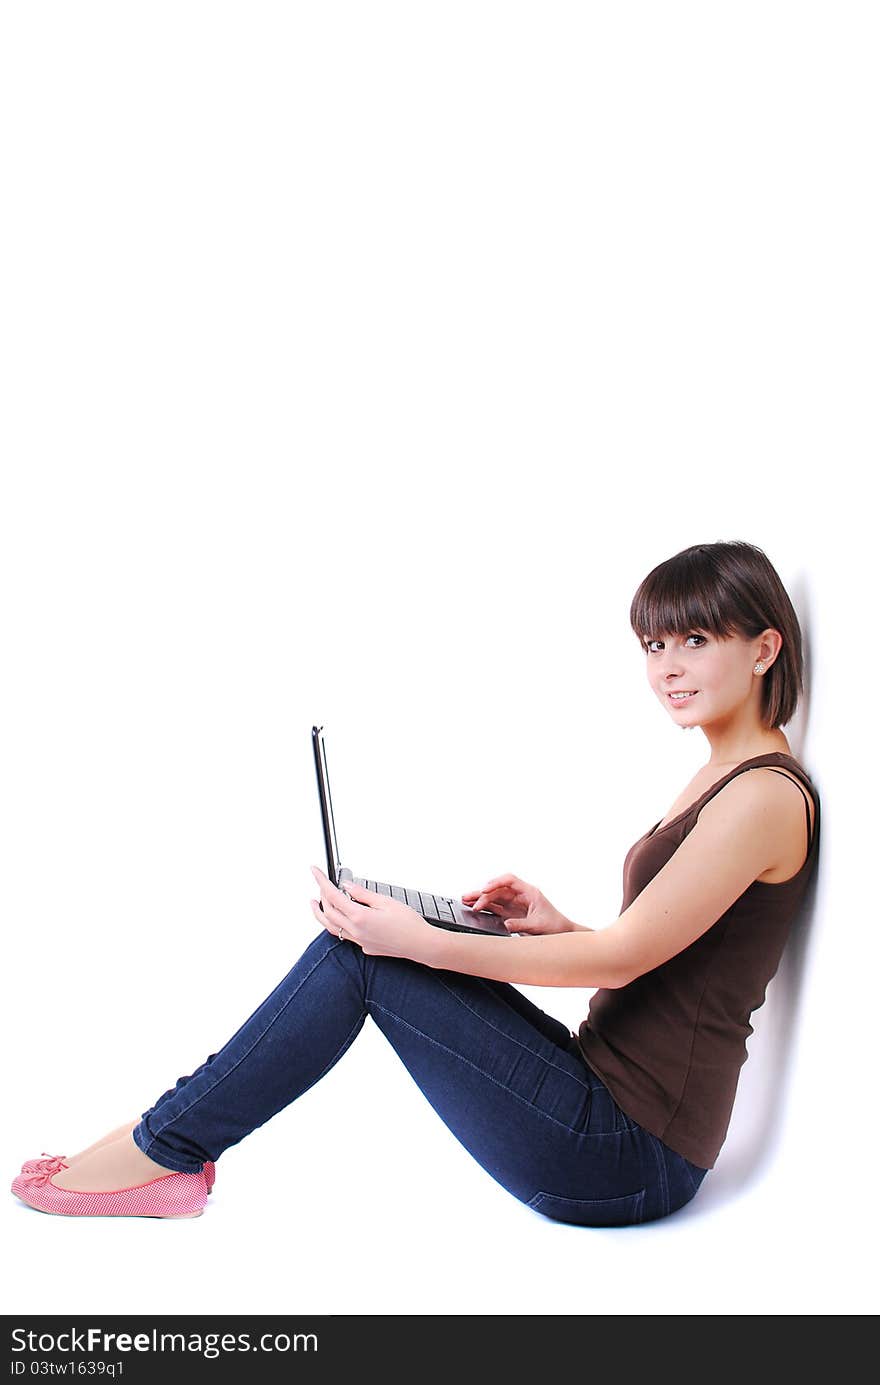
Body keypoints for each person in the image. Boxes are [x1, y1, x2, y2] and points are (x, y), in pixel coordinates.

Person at [12, 540, 820, 1225]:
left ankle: (162, 1152)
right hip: (600, 1090)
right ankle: (164, 1141)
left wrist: (424, 941)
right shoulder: (724, 772)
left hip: (625, 1154)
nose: (669, 668)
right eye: (654, 647)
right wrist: (557, 922)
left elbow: (622, 962)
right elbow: (660, 951)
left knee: (366, 953)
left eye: (695, 641)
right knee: (375, 942)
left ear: (763, 648)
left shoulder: (761, 796)